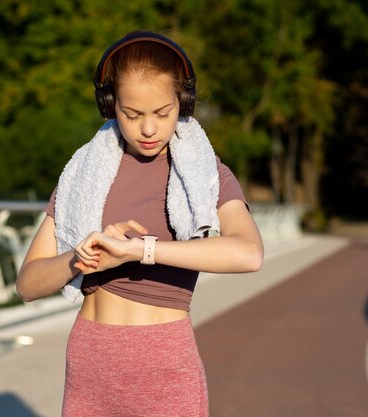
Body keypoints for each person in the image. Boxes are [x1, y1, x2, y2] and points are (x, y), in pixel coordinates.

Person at [16, 30, 264, 417]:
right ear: (110, 105)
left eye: (162, 113)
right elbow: (28, 284)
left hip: (164, 367)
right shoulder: (83, 174)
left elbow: (248, 253)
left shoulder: (203, 175)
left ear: (182, 102)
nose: (148, 129)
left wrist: (141, 250)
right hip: (88, 365)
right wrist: (83, 260)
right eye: (132, 115)